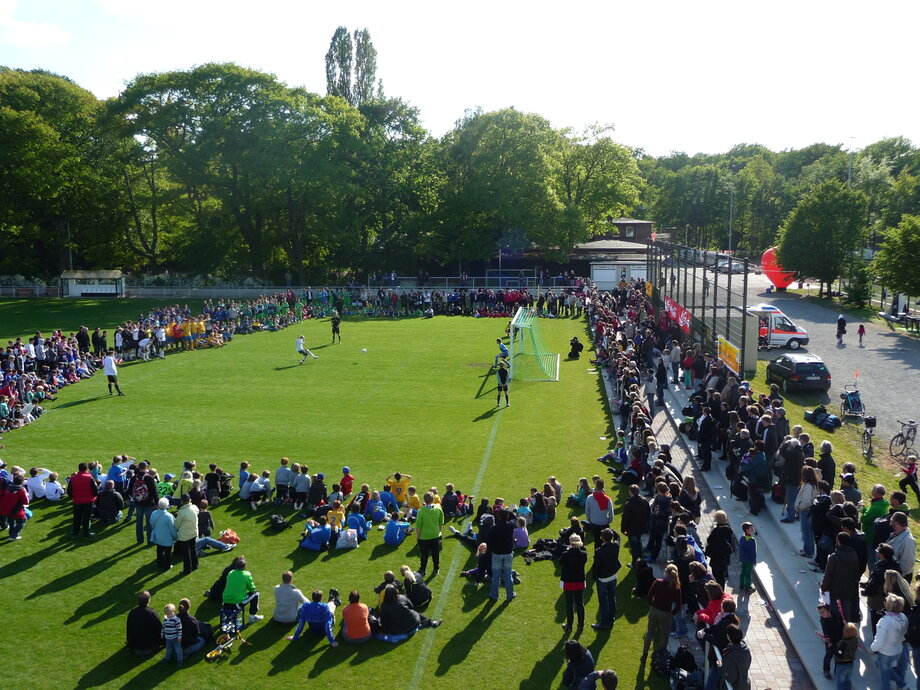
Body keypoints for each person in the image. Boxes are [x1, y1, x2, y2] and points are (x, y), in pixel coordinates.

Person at [642, 563, 682, 660]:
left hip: (654, 610)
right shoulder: (676, 588)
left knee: (650, 632)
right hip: (666, 613)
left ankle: (644, 654)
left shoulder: (658, 582)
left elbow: (649, 595)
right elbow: (678, 605)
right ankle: (659, 656)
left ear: (666, 573)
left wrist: (652, 605)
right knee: (664, 636)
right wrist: (672, 613)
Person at [871, 594, 909, 690]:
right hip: (898, 651)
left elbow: (879, 641)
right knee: (880, 666)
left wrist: (872, 648)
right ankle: (901, 683)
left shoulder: (884, 622)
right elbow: (905, 633)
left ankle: (901, 683)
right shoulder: (903, 617)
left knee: (885, 679)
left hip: (885, 653)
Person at [592, 527, 620, 630]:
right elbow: (618, 537)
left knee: (603, 601)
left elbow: (596, 566)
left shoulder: (599, 551)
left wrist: (594, 576)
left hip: (603, 578)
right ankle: (611, 619)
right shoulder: (616, 546)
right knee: (612, 598)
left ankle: (604, 623)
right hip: (613, 576)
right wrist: (611, 529)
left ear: (602, 538)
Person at [222, 555, 263, 625]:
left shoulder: (230, 573)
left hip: (225, 602)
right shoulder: (247, 574)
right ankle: (252, 617)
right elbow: (252, 589)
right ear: (245, 567)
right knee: (256, 593)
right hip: (236, 603)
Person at [560, 534, 588, 635]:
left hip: (568, 583)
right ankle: (581, 624)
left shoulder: (565, 554)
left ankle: (569, 626)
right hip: (579, 582)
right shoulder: (584, 554)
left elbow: (560, 563)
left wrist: (568, 550)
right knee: (580, 603)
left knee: (569, 604)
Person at [488, 508, 517, 602]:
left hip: (496, 554)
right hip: (508, 554)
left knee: (496, 576)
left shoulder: (494, 528)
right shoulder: (511, 526)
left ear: (498, 516)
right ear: (507, 516)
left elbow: (490, 542)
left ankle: (494, 595)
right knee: (508, 575)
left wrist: (491, 550)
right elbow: (514, 518)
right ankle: (510, 594)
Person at [415, 492, 444, 576]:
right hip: (435, 536)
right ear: (433, 499)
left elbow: (418, 526)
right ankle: (436, 569)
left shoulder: (421, 511)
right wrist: (439, 532)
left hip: (424, 537)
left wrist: (418, 537)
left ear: (424, 500)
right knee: (435, 553)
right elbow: (441, 522)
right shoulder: (438, 509)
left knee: (424, 555)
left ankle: (422, 570)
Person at [126, 590, 162, 655]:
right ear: (148, 600)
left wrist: (130, 643)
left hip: (136, 647)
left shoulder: (132, 613)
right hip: (150, 647)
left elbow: (129, 629)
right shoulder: (152, 613)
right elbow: (160, 630)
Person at [69, 462, 98, 539]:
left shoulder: (73, 478)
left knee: (77, 517)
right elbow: (95, 490)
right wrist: (93, 497)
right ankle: (86, 533)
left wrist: (74, 497)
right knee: (87, 518)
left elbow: (69, 491)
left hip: (77, 501)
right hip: (88, 501)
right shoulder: (90, 477)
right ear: (87, 469)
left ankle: (75, 533)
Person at [719, 624, 752, 690]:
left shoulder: (731, 656)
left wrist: (720, 666)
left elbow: (730, 678)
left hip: (734, 687)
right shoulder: (746, 650)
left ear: (729, 637)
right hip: (745, 685)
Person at [887, 512, 916, 582]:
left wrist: (897, 577)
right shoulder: (895, 534)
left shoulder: (908, 541)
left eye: (891, 519)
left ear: (896, 522)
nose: (890, 521)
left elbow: (907, 564)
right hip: (891, 575)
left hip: (900, 578)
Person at [174, 494, 200, 575]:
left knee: (186, 553)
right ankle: (195, 565)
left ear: (182, 501)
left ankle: (187, 570)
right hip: (194, 532)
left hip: (185, 535)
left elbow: (177, 524)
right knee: (193, 549)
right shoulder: (195, 507)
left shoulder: (182, 512)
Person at [584, 479, 614, 548]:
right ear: (603, 487)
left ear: (596, 486)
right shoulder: (608, 499)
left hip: (594, 523)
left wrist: (590, 521)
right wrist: (608, 521)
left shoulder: (589, 498)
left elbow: (587, 511)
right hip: (604, 523)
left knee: (597, 541)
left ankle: (597, 556)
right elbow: (611, 513)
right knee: (607, 542)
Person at [149, 498, 177, 570]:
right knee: (167, 553)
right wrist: (175, 537)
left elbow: (151, 523)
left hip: (158, 536)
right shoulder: (169, 516)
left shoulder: (154, 513)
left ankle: (159, 564)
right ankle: (167, 566)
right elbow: (173, 528)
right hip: (167, 538)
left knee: (159, 551)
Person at [0, 475, 29, 541]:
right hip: (15, 510)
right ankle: (13, 535)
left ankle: (11, 533)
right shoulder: (21, 490)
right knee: (22, 521)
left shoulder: (8, 487)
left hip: (5, 508)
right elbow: (26, 501)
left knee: (11, 521)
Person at [833, 621, 859, 689]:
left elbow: (838, 654)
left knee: (840, 683)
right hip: (850, 664)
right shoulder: (855, 640)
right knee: (848, 681)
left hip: (842, 665)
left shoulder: (843, 643)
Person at [738, 522, 757, 593]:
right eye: (751, 528)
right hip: (749, 560)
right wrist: (754, 560)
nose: (752, 529)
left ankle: (742, 584)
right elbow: (752, 552)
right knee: (748, 574)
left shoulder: (742, 537)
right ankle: (748, 586)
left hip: (743, 559)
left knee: (743, 572)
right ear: (747, 530)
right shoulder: (751, 540)